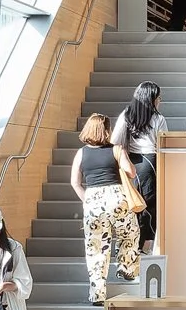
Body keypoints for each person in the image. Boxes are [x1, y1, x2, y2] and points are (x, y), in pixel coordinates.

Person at [69, 112, 137, 298]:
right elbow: (131, 172)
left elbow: (75, 182)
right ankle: (126, 267)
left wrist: (88, 201)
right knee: (129, 233)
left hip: (93, 200)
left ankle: (98, 293)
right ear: (107, 130)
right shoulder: (116, 149)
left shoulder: (81, 153)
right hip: (116, 197)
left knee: (96, 248)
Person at [112, 83, 164, 251]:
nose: (160, 100)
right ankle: (147, 244)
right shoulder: (158, 119)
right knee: (150, 205)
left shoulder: (126, 115)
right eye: (157, 97)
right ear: (151, 99)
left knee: (133, 204)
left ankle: (131, 245)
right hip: (150, 163)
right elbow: (163, 144)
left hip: (130, 164)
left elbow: (114, 141)